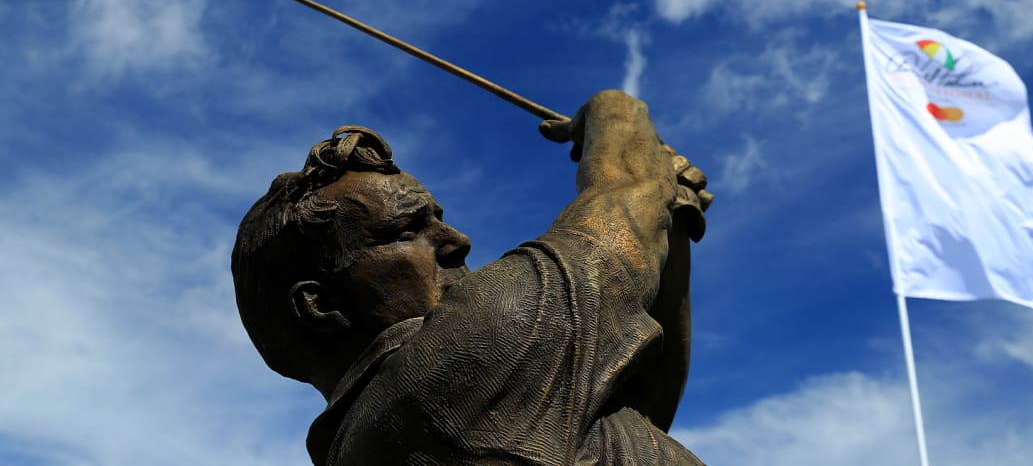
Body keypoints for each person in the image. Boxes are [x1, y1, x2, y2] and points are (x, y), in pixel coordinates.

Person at [231, 90, 711, 465]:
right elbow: (628, 195)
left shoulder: (374, 440)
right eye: (407, 229)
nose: (458, 240)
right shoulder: (448, 368)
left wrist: (674, 207)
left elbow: (640, 400)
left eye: (438, 220)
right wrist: (616, 112)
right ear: (319, 305)